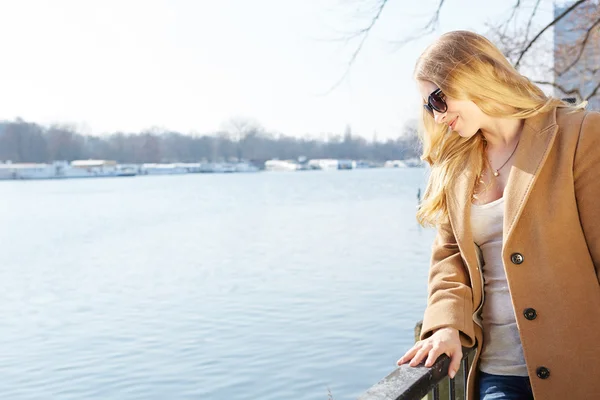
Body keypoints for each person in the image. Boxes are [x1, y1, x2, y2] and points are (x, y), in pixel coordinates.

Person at [396, 30, 600, 400]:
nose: (438, 116)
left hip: (583, 368)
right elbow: (450, 259)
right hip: (499, 371)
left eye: (439, 99)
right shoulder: (455, 167)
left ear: (473, 73)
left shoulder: (579, 135)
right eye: (429, 107)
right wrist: (444, 325)